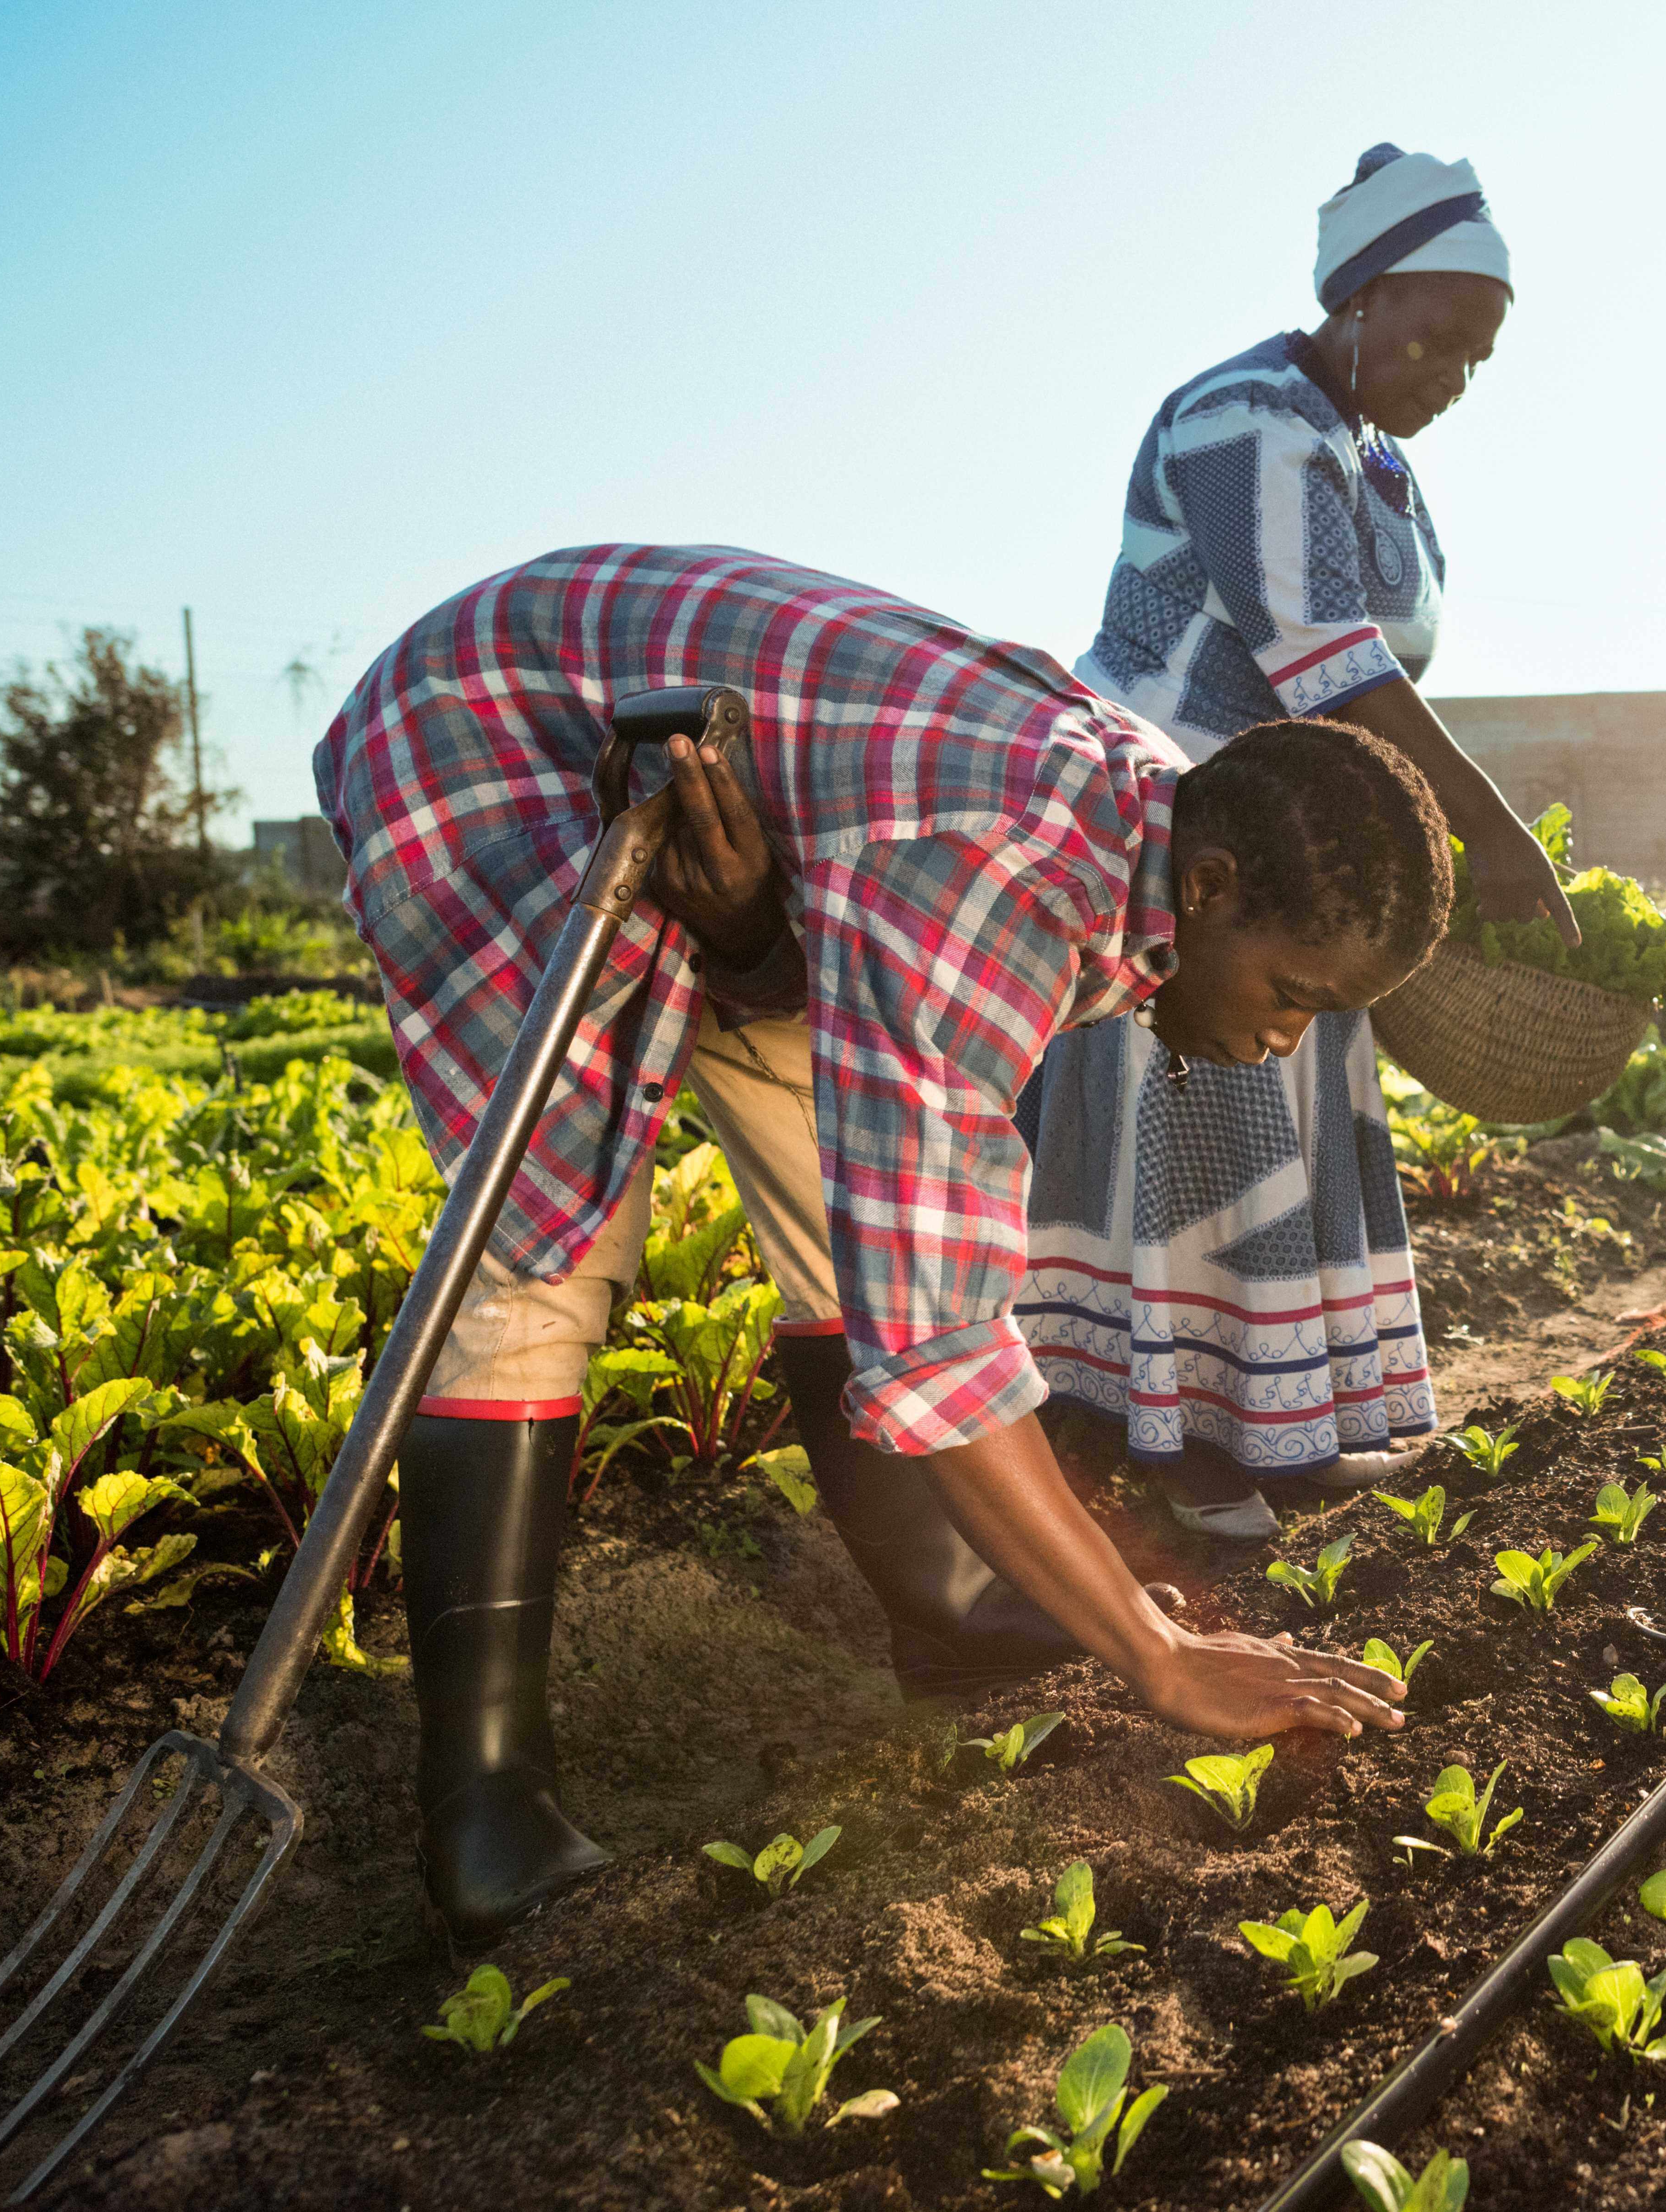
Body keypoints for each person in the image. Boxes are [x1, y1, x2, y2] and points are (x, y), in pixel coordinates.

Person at [314, 543, 1430, 1942]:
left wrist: (741, 930)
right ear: (1205, 890)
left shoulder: (1159, 824)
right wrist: (1156, 1653)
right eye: (1291, 994)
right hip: (488, 733)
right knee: (542, 1240)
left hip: (769, 824)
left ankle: (951, 1607)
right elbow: (946, 1334)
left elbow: (904, 1215)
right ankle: (483, 1806)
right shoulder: (997, 870)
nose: (1283, 1040)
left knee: (840, 1196)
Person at [1018, 144, 1573, 1541]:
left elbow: (1377, 676)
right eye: (1437, 334)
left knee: (1287, 1115)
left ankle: (1281, 1425)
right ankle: (1173, 1440)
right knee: (1199, 1111)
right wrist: (1489, 834)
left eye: (1480, 356)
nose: (1451, 370)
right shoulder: (1244, 418)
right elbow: (1328, 659)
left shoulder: (1371, 460)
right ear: (1362, 297)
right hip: (1177, 821)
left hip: (1299, 836)